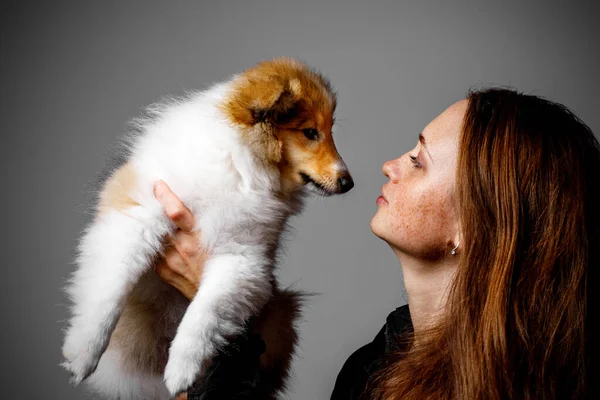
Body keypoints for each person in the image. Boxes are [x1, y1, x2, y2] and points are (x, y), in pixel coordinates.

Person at [153, 88, 598, 399]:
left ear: (473, 228)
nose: (389, 165)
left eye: (418, 161)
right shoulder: (374, 367)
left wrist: (219, 311)